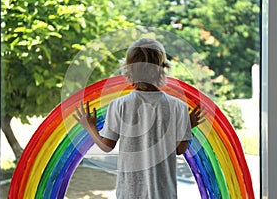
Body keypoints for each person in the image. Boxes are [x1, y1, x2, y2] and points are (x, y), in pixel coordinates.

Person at [73, 38, 205, 199]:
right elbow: (179, 149)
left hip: (130, 193)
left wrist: (90, 127)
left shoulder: (120, 105)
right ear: (162, 70)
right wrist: (186, 125)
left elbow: (106, 145)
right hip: (164, 194)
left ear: (128, 71)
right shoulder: (177, 106)